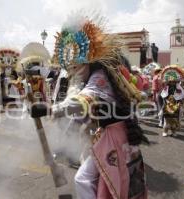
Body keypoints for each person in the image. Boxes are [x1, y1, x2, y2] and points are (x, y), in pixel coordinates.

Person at [31, 16, 148, 199]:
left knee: (83, 179)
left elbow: (82, 101)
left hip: (113, 137)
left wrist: (48, 109)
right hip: (112, 134)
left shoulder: (100, 76)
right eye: (71, 68)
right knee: (96, 175)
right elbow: (82, 109)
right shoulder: (100, 74)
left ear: (88, 61)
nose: (74, 72)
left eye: (76, 67)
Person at [160, 65, 184, 137]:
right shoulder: (166, 87)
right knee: (167, 119)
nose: (172, 82)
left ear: (176, 81)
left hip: (176, 105)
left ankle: (173, 132)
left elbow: (183, 95)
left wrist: (180, 101)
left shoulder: (178, 87)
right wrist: (166, 101)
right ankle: (165, 131)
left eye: (174, 81)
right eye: (171, 81)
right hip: (167, 105)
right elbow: (163, 95)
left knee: (175, 119)